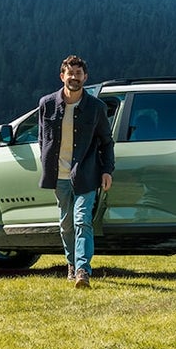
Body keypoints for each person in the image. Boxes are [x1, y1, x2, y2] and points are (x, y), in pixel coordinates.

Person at [38, 55, 114, 288]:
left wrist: (107, 170)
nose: (74, 78)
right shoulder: (47, 104)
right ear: (62, 76)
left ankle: (82, 270)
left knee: (83, 221)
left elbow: (106, 142)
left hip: (86, 173)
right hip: (58, 175)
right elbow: (42, 138)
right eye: (70, 74)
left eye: (78, 74)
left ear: (85, 77)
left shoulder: (96, 108)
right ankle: (71, 264)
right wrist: (45, 162)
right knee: (66, 225)